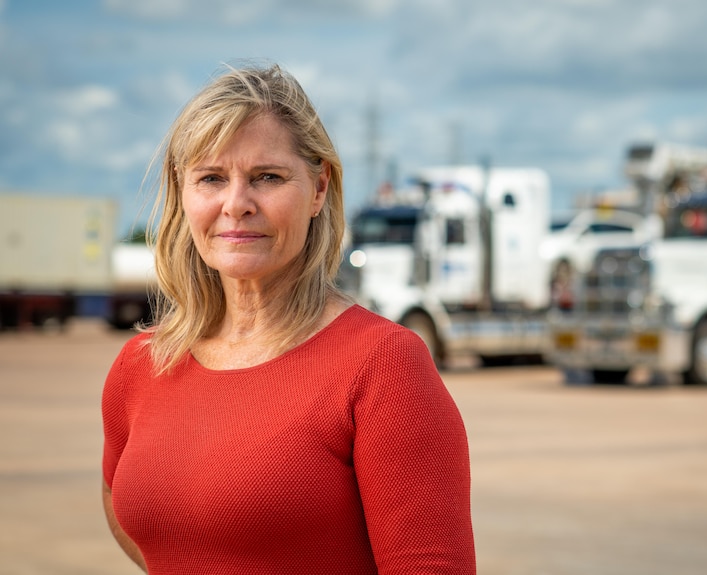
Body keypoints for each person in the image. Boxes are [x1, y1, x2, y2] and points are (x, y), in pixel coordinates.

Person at [101, 62, 475, 574]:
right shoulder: (141, 365)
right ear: (182, 193)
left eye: (267, 178)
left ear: (319, 189)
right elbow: (136, 523)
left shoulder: (384, 364)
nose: (236, 204)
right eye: (211, 178)